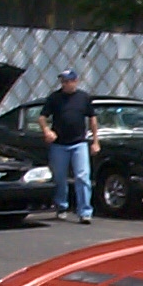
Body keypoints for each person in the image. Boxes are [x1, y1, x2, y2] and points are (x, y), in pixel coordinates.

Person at [38, 69, 99, 223]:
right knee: (59, 177)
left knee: (82, 177)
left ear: (75, 81)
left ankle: (85, 211)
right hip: (59, 144)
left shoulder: (83, 97)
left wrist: (95, 141)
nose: (65, 84)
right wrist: (47, 131)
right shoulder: (55, 97)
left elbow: (92, 119)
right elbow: (42, 117)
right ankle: (61, 206)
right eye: (63, 81)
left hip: (79, 143)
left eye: (68, 81)